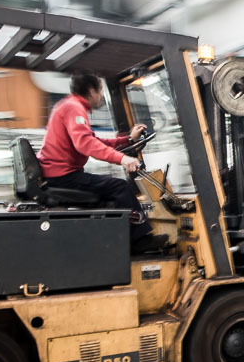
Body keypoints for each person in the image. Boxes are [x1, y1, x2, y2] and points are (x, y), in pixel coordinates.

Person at [38, 71, 168, 253]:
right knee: (120, 187)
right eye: (100, 91)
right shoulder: (74, 108)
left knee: (112, 191)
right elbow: (85, 144)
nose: (100, 97)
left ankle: (118, 238)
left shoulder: (67, 105)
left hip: (59, 174)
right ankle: (139, 240)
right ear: (91, 90)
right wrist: (122, 158)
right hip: (62, 176)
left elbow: (94, 141)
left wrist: (128, 140)